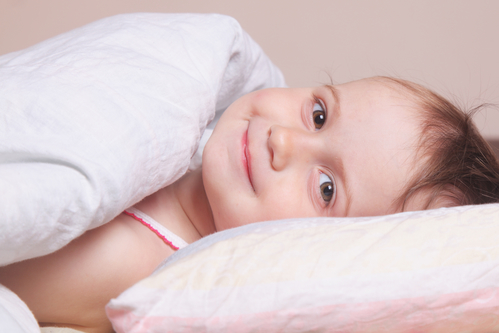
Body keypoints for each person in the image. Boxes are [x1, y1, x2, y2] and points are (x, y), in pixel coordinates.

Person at [1, 76, 498, 333]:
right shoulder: (192, 121)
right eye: (319, 114)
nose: (283, 140)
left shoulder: (137, 258)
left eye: (326, 188)